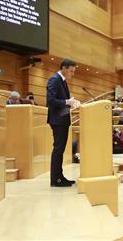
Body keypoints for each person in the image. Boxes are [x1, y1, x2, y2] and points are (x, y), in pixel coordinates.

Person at [46, 59, 80, 187]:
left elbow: (61, 101)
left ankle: (59, 177)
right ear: (64, 68)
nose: (72, 74)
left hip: (62, 118)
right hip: (58, 120)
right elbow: (50, 101)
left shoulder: (62, 81)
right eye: (71, 71)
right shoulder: (55, 79)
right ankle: (55, 179)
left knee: (60, 150)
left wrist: (70, 104)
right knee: (58, 149)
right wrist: (67, 102)